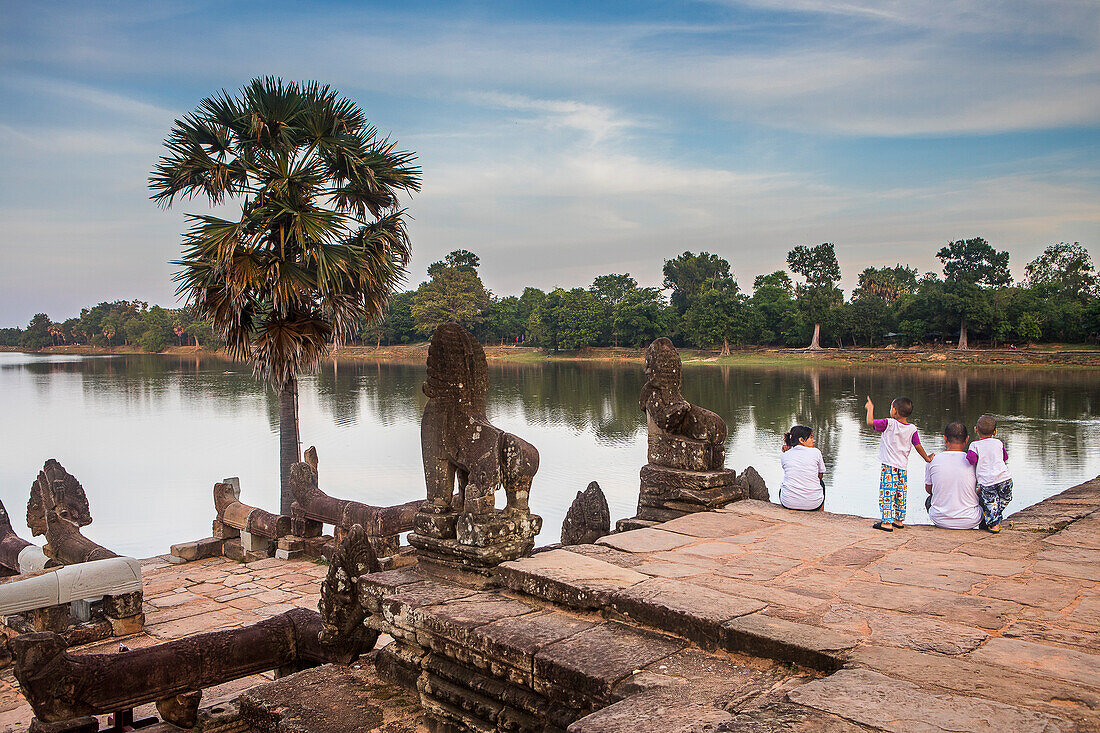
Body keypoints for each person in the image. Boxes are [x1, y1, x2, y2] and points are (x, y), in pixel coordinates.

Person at [865, 395, 933, 531]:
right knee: (900, 493)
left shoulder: (889, 423)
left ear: (895, 411)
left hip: (889, 467)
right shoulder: (912, 429)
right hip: (902, 468)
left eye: (891, 408)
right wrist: (927, 458)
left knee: (887, 493)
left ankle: (886, 523)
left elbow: (870, 422)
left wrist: (870, 408)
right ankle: (899, 520)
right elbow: (918, 446)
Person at [924, 422, 981, 530]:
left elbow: (928, 489)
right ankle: (986, 528)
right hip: (970, 520)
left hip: (939, 519)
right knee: (986, 497)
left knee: (929, 500)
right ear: (967, 439)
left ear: (945, 439)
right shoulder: (974, 462)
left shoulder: (932, 460)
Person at [967, 414, 1013, 533]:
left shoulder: (974, 445)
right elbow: (1005, 457)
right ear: (995, 432)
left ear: (975, 429)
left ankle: (994, 523)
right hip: (1005, 478)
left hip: (988, 482)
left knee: (991, 503)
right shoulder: (998, 443)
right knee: (1006, 498)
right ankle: (994, 515)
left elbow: (971, 460)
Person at [779, 425, 826, 511]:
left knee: (785, 483)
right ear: (801, 440)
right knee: (821, 483)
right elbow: (820, 475)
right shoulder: (816, 452)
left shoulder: (785, 455)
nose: (813, 441)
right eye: (811, 438)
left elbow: (793, 472)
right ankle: (820, 514)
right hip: (813, 504)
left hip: (788, 503)